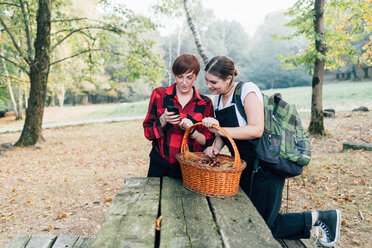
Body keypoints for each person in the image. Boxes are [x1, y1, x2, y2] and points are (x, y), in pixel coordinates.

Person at [201, 55, 341, 247]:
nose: (209, 86)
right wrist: (215, 147)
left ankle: (322, 217)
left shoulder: (247, 91)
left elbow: (256, 129)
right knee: (251, 217)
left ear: (229, 79)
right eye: (207, 81)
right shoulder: (218, 98)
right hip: (243, 166)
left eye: (213, 81)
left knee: (265, 225)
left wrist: (220, 130)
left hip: (265, 165)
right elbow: (224, 133)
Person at [143, 53, 214, 178]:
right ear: (174, 75)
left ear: (196, 76)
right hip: (160, 164)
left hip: (191, 167)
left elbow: (207, 142)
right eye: (180, 77)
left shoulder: (205, 103)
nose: (184, 82)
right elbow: (148, 134)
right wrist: (163, 120)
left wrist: (192, 131)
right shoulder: (159, 95)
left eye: (189, 77)